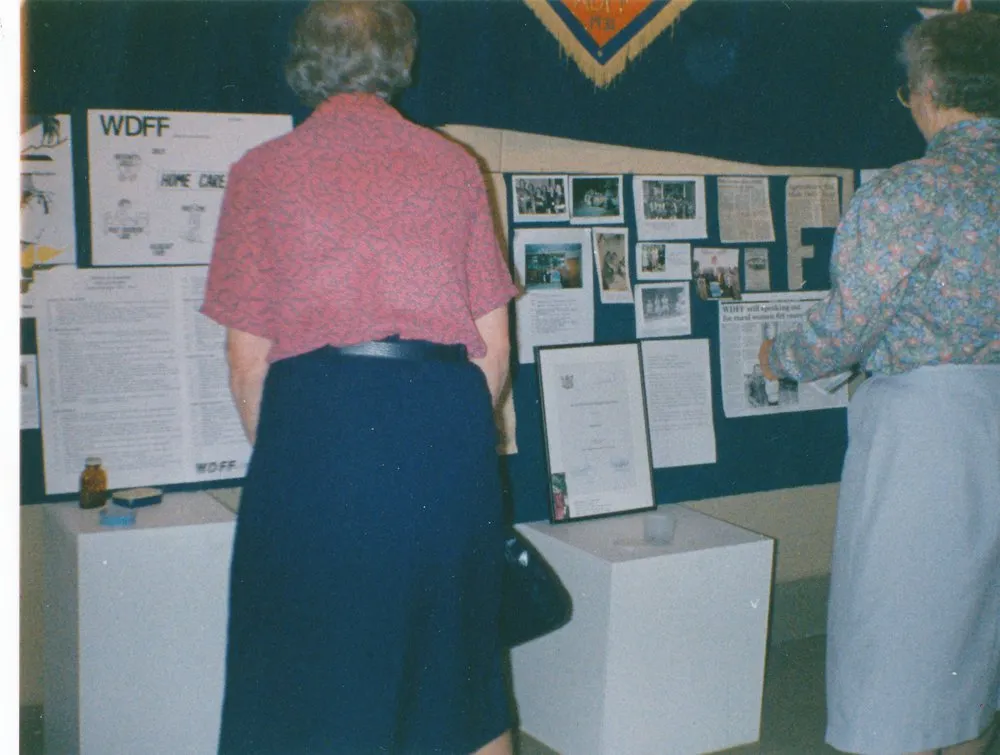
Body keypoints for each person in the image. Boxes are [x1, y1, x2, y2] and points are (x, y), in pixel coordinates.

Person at [201, 3, 519, 753]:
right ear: (400, 58)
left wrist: (299, 456)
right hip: (442, 430)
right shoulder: (453, 166)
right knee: (461, 670)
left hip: (319, 434)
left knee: (305, 668)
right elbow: (492, 353)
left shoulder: (261, 173)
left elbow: (246, 362)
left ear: (304, 59)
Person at [758, 11, 1000, 755]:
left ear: (928, 88)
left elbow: (845, 331)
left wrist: (781, 356)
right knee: (973, 618)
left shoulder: (909, 192)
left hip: (923, 430)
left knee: (894, 620)